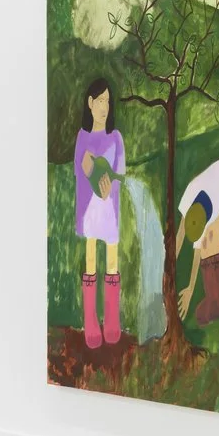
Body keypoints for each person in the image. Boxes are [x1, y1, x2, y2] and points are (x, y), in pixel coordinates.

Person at [72, 78, 125, 347]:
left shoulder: (116, 137)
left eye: (108, 101)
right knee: (91, 258)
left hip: (110, 208)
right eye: (100, 100)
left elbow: (120, 172)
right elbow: (81, 168)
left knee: (112, 261)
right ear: (90, 103)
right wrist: (93, 173)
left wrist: (109, 187)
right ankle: (91, 321)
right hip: (90, 208)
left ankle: (112, 320)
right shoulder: (82, 137)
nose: (104, 107)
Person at [174, 157, 219, 326]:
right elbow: (179, 236)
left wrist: (190, 289)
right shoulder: (189, 197)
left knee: (210, 241)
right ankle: (215, 299)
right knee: (206, 241)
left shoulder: (211, 210)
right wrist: (168, 266)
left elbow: (197, 252)